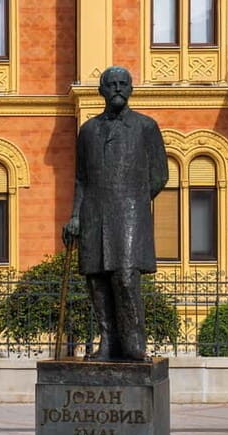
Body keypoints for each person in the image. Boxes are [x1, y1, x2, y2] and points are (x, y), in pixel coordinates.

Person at [62, 66, 168, 361]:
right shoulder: (88, 131)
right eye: (112, 84)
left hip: (130, 215)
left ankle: (134, 344)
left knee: (124, 278)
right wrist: (75, 217)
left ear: (131, 88)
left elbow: (160, 175)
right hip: (94, 214)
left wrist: (131, 200)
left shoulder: (146, 127)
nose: (118, 88)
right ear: (102, 90)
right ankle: (107, 342)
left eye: (123, 83)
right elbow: (81, 179)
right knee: (97, 280)